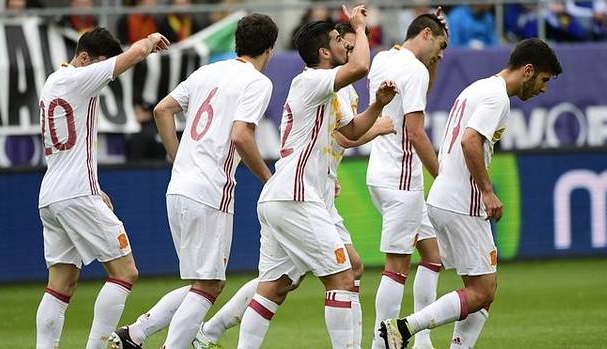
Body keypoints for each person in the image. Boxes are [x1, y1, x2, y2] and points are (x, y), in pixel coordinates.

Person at [189, 21, 396, 349]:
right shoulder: (312, 80)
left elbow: (352, 132)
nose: (347, 44)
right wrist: (360, 23)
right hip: (295, 197)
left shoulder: (323, 88)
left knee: (274, 287)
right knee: (342, 277)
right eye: (340, 40)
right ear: (324, 52)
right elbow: (360, 66)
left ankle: (210, 338)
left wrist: (378, 106)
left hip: (288, 197)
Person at [106, 13, 278, 349]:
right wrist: (269, 180)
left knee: (202, 283)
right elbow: (242, 137)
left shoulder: (207, 72)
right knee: (208, 286)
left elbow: (162, 110)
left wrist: (175, 155)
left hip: (180, 187)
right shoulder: (258, 82)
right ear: (269, 50)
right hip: (210, 190)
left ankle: (135, 335)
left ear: (237, 42)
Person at [379, 38, 563, 349]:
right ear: (528, 70)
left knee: (481, 289)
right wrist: (488, 192)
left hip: (444, 198)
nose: (544, 88)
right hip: (463, 202)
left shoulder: (477, 88)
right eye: (544, 80)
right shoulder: (496, 98)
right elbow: (469, 142)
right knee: (483, 291)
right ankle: (403, 328)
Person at [35, 27, 169, 349]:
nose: (102, 77)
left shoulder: (53, 83)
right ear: (83, 58)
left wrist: (94, 186)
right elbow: (134, 55)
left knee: (61, 283)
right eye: (98, 66)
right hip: (75, 192)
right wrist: (149, 41)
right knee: (125, 271)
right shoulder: (77, 79)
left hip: (53, 195)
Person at [366, 12, 448, 349]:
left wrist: (432, 54)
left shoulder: (384, 58)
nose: (441, 54)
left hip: (381, 174)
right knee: (397, 265)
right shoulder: (413, 69)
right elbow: (415, 132)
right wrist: (442, 178)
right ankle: (381, 341)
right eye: (440, 46)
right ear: (426, 34)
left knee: (432, 255)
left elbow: (421, 85)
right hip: (402, 180)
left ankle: (423, 339)